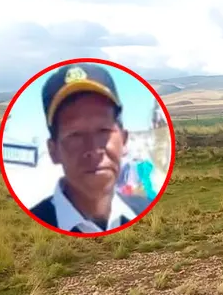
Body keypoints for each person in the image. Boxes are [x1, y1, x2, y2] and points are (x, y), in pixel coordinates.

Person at [30, 63, 151, 233]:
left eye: (103, 131)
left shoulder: (146, 210)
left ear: (124, 140)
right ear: (53, 150)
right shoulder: (32, 226)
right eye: (75, 135)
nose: (93, 149)